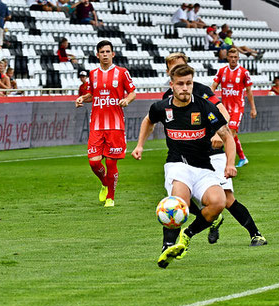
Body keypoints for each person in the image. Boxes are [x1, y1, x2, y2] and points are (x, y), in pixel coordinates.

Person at [131, 64, 237, 269]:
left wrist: (230, 164)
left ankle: (186, 236)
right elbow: (148, 121)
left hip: (204, 168)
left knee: (218, 203)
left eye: (188, 83)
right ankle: (167, 247)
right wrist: (140, 146)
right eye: (180, 84)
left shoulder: (205, 107)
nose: (185, 88)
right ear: (172, 85)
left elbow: (227, 136)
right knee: (179, 202)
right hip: (177, 164)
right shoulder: (161, 107)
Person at [162, 53, 267, 248]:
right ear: (169, 73)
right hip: (189, 158)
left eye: (180, 65)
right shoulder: (167, 97)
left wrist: (219, 133)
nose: (177, 69)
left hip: (214, 152)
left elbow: (222, 111)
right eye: (172, 67)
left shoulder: (201, 90)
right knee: (183, 197)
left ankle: (255, 234)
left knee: (226, 198)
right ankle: (208, 220)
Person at [75, 40, 137, 207]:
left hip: (115, 125)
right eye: (102, 52)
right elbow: (91, 94)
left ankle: (111, 197)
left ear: (113, 54)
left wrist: (126, 100)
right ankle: (105, 183)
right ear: (97, 55)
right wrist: (82, 98)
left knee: (110, 162)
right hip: (96, 124)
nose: (105, 54)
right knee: (94, 162)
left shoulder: (122, 73)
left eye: (107, 51)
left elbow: (132, 92)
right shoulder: (93, 74)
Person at [210, 48, 257, 168]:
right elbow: (213, 86)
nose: (233, 59)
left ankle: (226, 162)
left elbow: (249, 91)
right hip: (224, 109)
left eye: (235, 57)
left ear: (238, 58)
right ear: (227, 58)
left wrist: (253, 108)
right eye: (231, 57)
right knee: (229, 134)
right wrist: (208, 101)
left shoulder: (244, 72)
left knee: (229, 132)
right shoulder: (221, 71)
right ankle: (242, 157)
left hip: (237, 108)